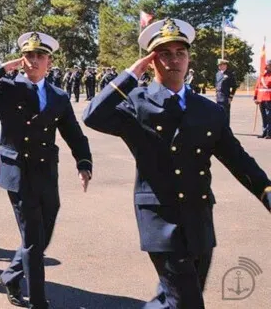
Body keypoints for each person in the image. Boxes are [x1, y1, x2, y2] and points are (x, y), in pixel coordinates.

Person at [83, 18, 271, 308]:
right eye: (164, 54)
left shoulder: (208, 109)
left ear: (189, 58)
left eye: (180, 53)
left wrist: (266, 191)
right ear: (151, 60)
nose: (174, 60)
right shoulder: (137, 102)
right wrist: (130, 74)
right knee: (188, 302)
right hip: (161, 220)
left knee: (172, 299)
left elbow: (238, 159)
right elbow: (93, 116)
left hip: (199, 215)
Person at [0, 32, 92, 308]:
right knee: (34, 239)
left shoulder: (58, 96)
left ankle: (11, 274)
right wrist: (4, 68)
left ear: (49, 61)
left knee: (43, 234)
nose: (34, 61)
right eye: (28, 55)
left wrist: (84, 162)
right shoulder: (6, 88)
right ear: (21, 59)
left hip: (47, 171)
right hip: (17, 172)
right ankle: (38, 301)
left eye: (40, 56)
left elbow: (73, 132)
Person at [215, 58, 238, 125]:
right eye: (219, 65)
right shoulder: (217, 74)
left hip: (225, 97)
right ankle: (221, 128)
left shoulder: (230, 74)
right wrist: (216, 95)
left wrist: (230, 97)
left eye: (221, 65)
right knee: (219, 114)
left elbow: (234, 86)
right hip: (218, 97)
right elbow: (216, 85)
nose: (219, 66)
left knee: (226, 115)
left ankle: (226, 130)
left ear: (225, 65)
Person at [255, 60, 271, 139]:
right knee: (263, 116)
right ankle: (264, 132)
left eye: (269, 65)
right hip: (261, 99)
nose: (268, 66)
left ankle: (269, 133)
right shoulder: (261, 76)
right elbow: (257, 87)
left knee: (269, 116)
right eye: (267, 65)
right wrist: (255, 97)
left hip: (269, 98)